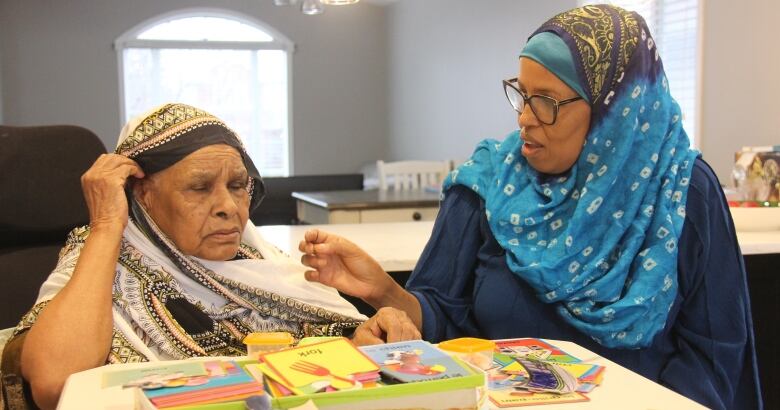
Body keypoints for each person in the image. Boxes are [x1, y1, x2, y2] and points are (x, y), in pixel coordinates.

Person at [299, 5, 763, 409]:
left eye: (545, 102)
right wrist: (384, 291)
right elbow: (445, 325)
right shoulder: (489, 182)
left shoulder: (681, 192)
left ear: (614, 110)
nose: (523, 117)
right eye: (521, 94)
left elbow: (713, 354)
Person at [5, 103, 418, 409]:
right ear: (143, 195)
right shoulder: (104, 253)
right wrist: (108, 224)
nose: (228, 207)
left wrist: (363, 343)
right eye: (200, 188)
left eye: (238, 186)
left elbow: (318, 351)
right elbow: (53, 381)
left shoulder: (259, 262)